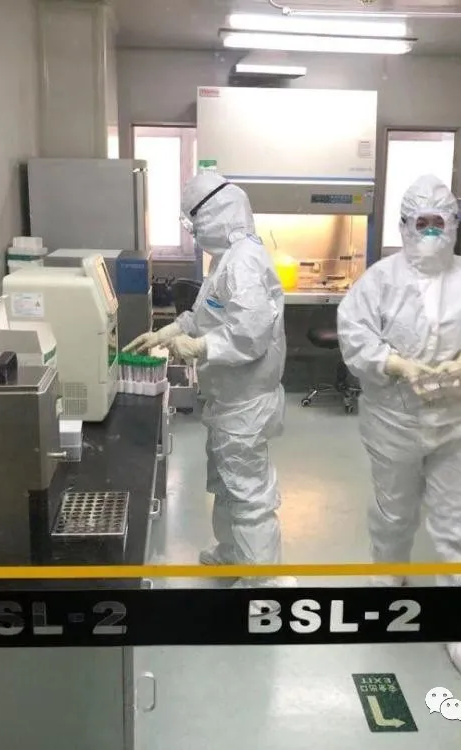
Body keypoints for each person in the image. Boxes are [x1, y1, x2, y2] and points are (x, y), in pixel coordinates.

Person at [336, 175, 461, 680]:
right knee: (393, 512)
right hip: (394, 418)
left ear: (454, 225)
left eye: (439, 222)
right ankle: (389, 583)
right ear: (405, 225)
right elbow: (355, 335)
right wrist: (395, 365)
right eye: (422, 222)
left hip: (459, 420)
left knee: (460, 521)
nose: (431, 232)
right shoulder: (380, 280)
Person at [125, 170, 291, 605]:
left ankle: (263, 584)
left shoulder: (245, 263)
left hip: (246, 402)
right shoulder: (227, 260)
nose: (193, 232)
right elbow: (205, 315)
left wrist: (200, 346)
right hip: (228, 399)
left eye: (194, 222)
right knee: (226, 482)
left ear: (216, 214)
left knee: (248, 492)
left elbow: (249, 336)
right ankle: (234, 554)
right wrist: (169, 332)